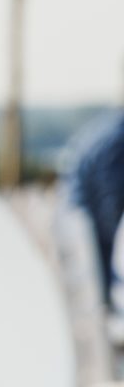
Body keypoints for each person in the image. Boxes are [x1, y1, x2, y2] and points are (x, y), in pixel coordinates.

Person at [62, 110, 124, 310]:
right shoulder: (119, 139)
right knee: (96, 279)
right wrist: (112, 235)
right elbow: (109, 196)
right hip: (82, 215)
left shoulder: (113, 125)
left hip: (73, 208)